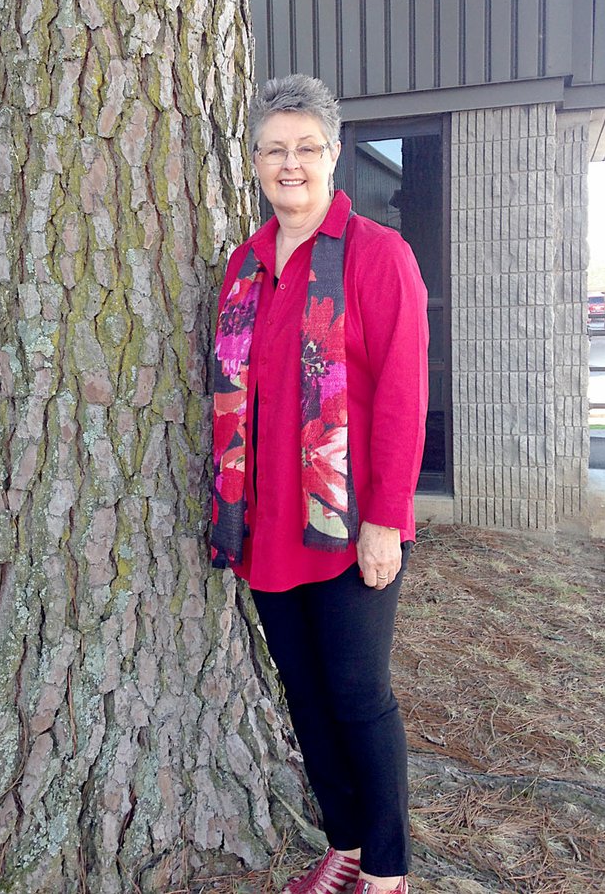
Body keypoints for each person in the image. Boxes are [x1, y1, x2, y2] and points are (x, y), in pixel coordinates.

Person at [211, 74, 429, 894]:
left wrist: (387, 520)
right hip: (265, 525)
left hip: (350, 526)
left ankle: (387, 869)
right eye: (274, 149)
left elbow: (405, 398)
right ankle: (341, 844)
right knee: (304, 695)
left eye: (307, 147)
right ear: (256, 161)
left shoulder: (379, 256)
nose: (290, 163)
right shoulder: (244, 264)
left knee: (358, 697)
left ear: (334, 154)